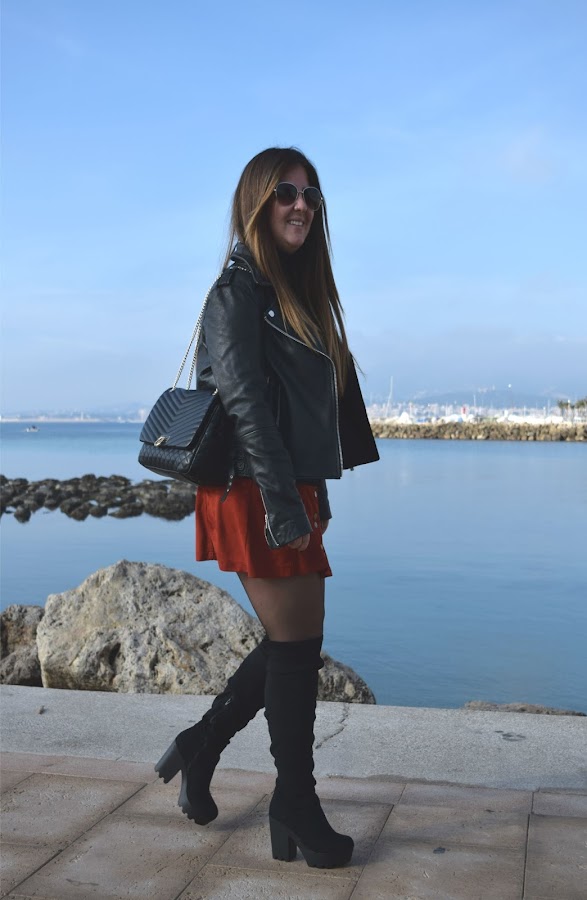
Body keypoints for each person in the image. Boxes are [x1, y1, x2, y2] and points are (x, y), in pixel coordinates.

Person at [155, 147, 379, 869]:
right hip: (251, 488)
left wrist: (315, 492)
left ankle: (203, 747)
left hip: (282, 486)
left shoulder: (294, 294)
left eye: (310, 194)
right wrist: (286, 505)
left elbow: (305, 411)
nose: (300, 204)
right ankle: (294, 803)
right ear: (256, 202)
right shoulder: (237, 292)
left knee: (293, 644)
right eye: (285, 191)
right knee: (296, 646)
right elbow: (246, 403)